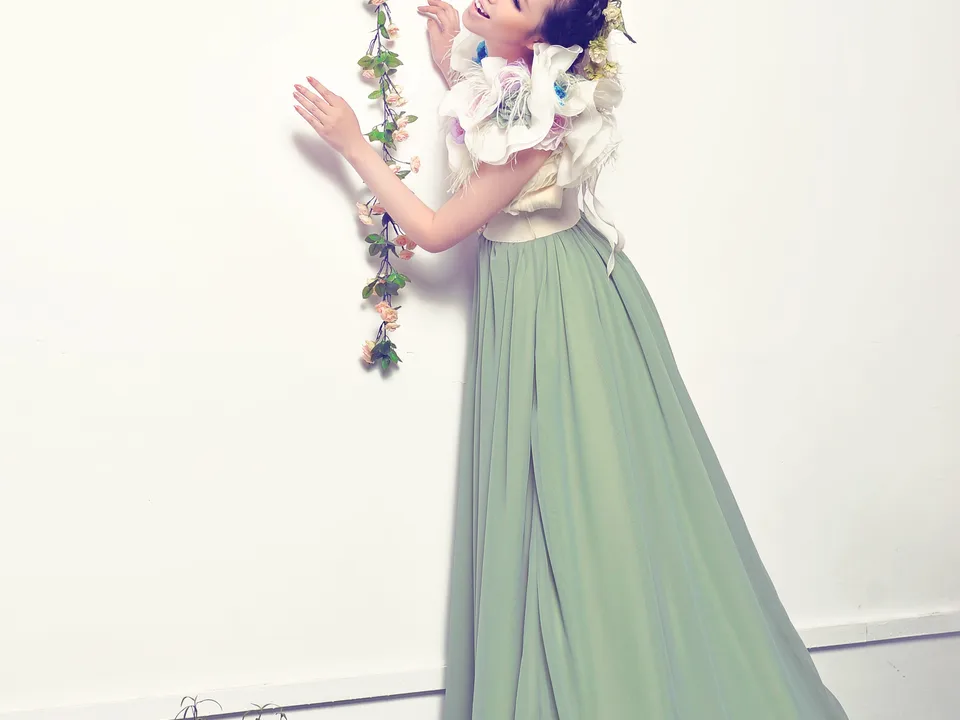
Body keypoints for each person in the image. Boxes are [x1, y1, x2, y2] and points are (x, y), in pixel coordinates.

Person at [294, 0, 850, 717]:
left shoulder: (547, 113)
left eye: (518, 1)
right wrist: (449, 65)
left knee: (587, 499)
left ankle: (617, 678)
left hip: (560, 304)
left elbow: (436, 230)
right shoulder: (518, 84)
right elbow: (494, 127)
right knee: (537, 498)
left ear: (538, 35)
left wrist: (353, 144)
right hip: (530, 292)